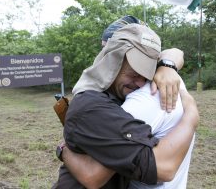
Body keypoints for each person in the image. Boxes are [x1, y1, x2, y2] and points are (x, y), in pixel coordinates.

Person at [53, 23, 199, 189]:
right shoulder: (93, 107)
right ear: (113, 60)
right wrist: (191, 116)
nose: (140, 83)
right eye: (135, 73)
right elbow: (164, 167)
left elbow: (176, 52)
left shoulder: (120, 93)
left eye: (146, 75)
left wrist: (167, 65)